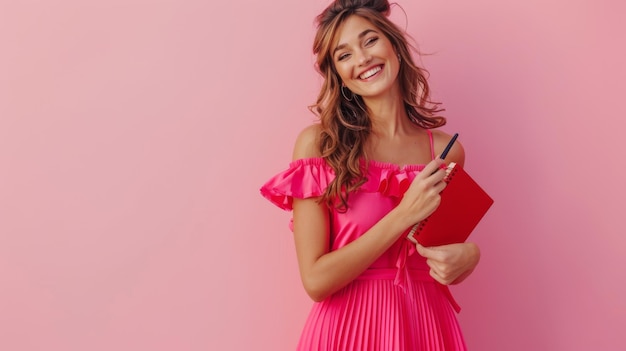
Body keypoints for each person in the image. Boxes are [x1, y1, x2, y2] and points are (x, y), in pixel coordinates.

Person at [260, 0, 480, 349]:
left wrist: (469, 257)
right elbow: (315, 280)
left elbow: (440, 252)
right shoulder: (319, 145)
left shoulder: (446, 151)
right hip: (346, 332)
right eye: (344, 55)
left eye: (369, 40)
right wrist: (403, 215)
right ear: (339, 74)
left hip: (426, 326)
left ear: (393, 45)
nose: (362, 59)